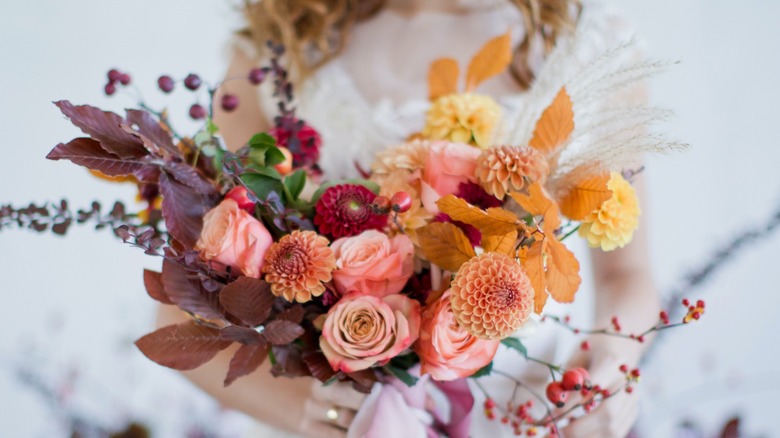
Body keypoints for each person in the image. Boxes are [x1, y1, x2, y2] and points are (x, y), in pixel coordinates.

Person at [157, 0, 660, 436]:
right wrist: (316, 414)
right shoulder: (279, 44)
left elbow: (627, 275)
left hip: (524, 410)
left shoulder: (588, 41)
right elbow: (183, 309)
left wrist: (611, 368)